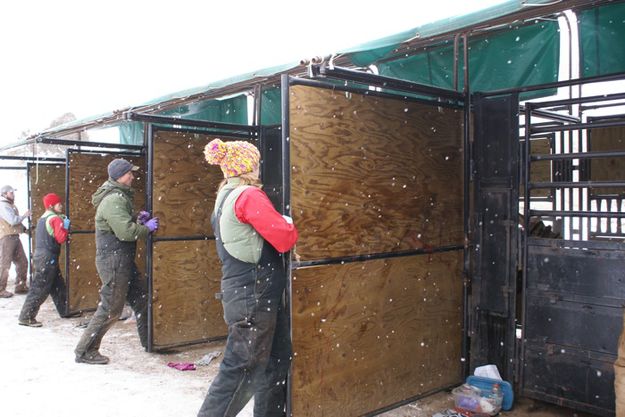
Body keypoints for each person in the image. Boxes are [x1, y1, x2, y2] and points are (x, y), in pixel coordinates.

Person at [198, 139, 298, 417]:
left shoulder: (226, 195)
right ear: (247, 166)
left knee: (275, 361)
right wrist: (288, 221)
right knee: (241, 370)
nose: (259, 166)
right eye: (255, 162)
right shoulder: (248, 195)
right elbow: (284, 238)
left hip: (250, 293)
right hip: (252, 295)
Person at [74, 159, 159, 365]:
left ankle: (151, 342)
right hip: (114, 261)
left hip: (121, 260)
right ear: (120, 176)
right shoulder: (113, 200)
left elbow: (122, 224)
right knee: (111, 308)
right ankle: (84, 351)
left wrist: (137, 219)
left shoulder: (119, 197)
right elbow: (125, 232)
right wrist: (145, 228)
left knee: (142, 299)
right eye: (129, 173)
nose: (132, 176)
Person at [18, 193, 71, 326]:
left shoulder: (43, 218)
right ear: (51, 205)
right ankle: (26, 316)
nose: (61, 205)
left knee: (57, 285)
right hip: (49, 256)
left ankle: (65, 310)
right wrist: (65, 227)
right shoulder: (55, 219)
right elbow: (61, 238)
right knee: (40, 287)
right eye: (59, 203)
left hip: (41, 255)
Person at [0, 185, 31, 298]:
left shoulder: (10, 206)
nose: (13, 194)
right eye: (11, 193)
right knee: (5, 264)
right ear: (4, 194)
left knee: (23, 262)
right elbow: (12, 220)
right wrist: (24, 216)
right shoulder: (3, 205)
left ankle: (20, 286)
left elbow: (15, 223)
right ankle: (1, 289)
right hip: (6, 238)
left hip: (14, 237)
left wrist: (25, 230)